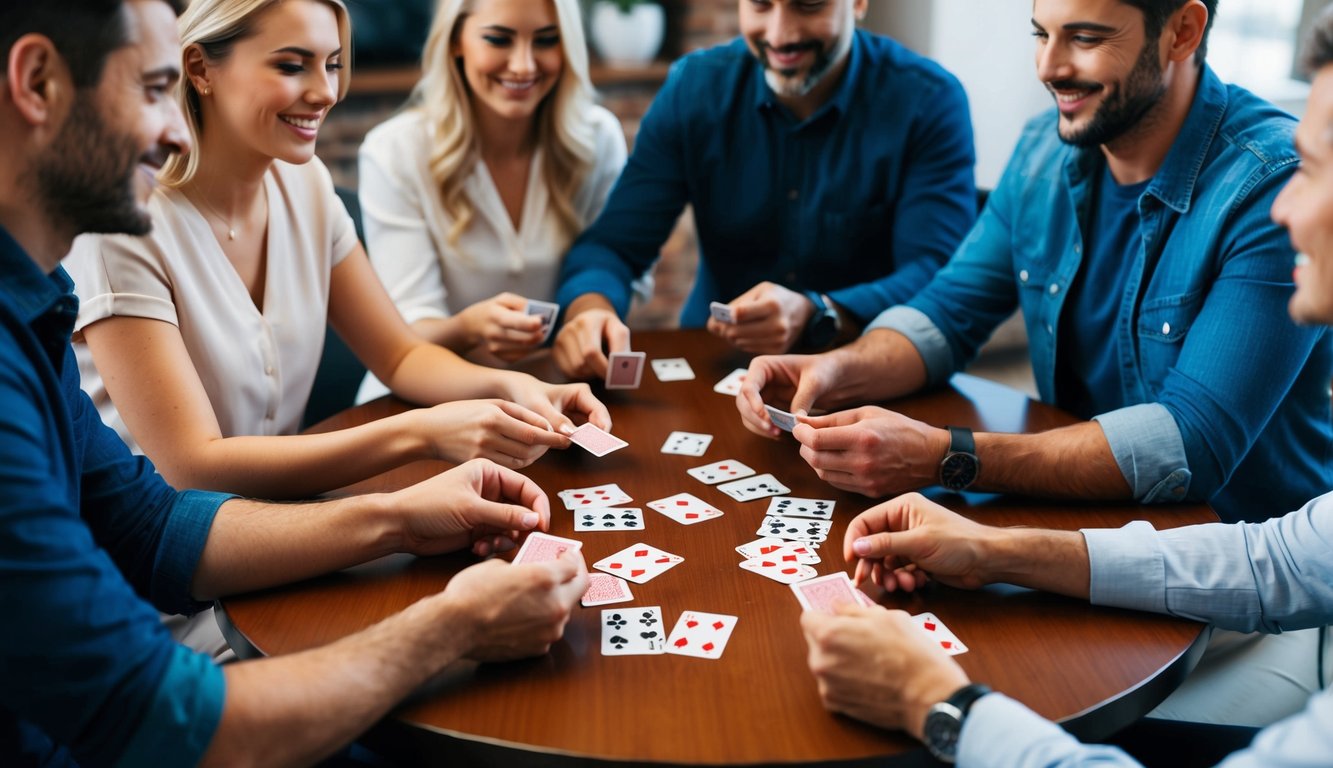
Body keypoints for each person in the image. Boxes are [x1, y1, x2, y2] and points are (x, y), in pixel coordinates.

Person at [0, 1, 588, 765]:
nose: (175, 128)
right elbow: (152, 713)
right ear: (37, 82)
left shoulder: (34, 310)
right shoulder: (106, 250)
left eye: (333, 64)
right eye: (153, 87)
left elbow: (153, 526)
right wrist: (451, 626)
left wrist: (403, 515)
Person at [753, 0, 1333, 729]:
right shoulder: (1040, 151)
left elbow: (1187, 445)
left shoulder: (1271, 184)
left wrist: (947, 458)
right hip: (1072, 557)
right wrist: (839, 368)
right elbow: (945, 313)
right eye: (1041, 34)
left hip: (1233, 610)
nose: (1049, 67)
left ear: (1181, 31)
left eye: (1085, 39)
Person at [64, 0, 612, 505]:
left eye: (331, 64)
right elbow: (192, 467)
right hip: (160, 573)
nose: (326, 92)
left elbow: (400, 356)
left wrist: (517, 387)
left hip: (289, 522)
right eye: (291, 65)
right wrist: (422, 434)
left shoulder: (307, 186)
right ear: (201, 68)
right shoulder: (123, 223)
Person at [551, 0, 977, 379]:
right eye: (759, 5)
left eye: (808, 5)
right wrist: (591, 311)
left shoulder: (930, 100)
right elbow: (612, 247)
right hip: (716, 365)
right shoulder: (693, 89)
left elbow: (937, 273)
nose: (780, 34)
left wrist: (820, 311)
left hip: (873, 371)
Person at [356, 0, 628, 391]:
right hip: (422, 399)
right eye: (498, 40)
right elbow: (402, 338)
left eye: (546, 41)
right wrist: (468, 329)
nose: (523, 66)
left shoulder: (597, 139)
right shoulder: (394, 151)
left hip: (552, 389)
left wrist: (590, 316)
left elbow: (611, 263)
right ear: (455, 43)